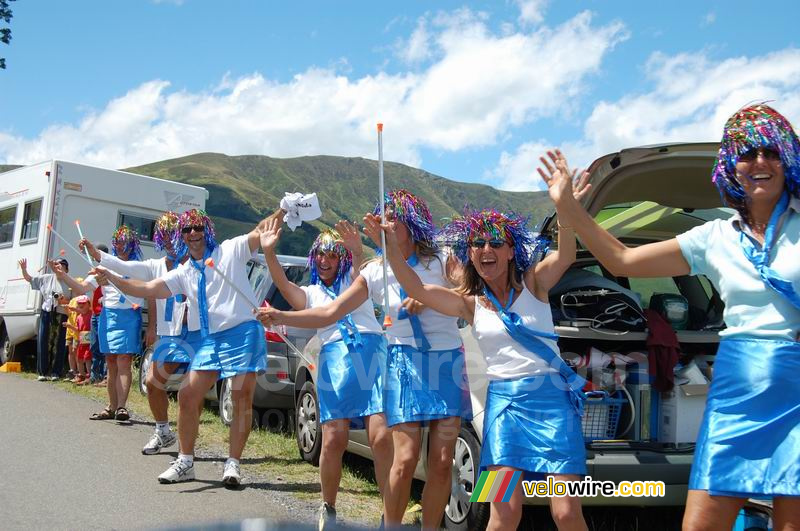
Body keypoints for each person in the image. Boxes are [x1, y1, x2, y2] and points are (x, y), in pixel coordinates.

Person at [539, 103, 800, 530]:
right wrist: (569, 207)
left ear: (786, 157)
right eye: (747, 153)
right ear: (730, 166)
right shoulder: (714, 237)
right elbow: (620, 257)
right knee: (699, 525)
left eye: (770, 152)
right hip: (735, 390)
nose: (759, 163)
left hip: (796, 388)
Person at [353, 198, 589, 531]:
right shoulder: (469, 304)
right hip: (503, 411)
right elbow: (416, 286)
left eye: (495, 241)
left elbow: (566, 255)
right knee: (501, 513)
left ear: (511, 251)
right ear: (471, 254)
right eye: (478, 243)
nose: (486, 248)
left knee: (566, 512)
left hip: (553, 406)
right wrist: (391, 249)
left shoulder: (534, 284)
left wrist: (563, 205)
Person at [258, 190, 471, 529]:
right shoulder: (374, 272)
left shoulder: (442, 259)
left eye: (394, 218)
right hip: (404, 364)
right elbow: (329, 311)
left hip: (446, 362)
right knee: (404, 459)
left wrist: (431, 298)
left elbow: (468, 293)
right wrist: (282, 316)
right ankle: (391, 524)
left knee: (444, 461)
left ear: (411, 222)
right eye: (383, 218)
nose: (386, 224)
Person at [92, 209, 269, 487]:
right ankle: (186, 461)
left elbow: (261, 231)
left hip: (243, 332)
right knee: (188, 393)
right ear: (181, 236)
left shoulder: (230, 251)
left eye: (197, 227)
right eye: (186, 230)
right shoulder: (184, 272)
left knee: (241, 398)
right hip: (212, 338)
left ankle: (233, 464)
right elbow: (149, 288)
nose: (192, 234)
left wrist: (284, 209)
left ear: (207, 228)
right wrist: (112, 278)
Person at [259, 213, 392, 530]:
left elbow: (362, 266)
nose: (325, 260)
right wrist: (268, 252)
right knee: (333, 438)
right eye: (320, 254)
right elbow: (282, 284)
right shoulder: (311, 294)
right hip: (336, 360)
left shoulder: (353, 281)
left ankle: (391, 512)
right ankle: (328, 508)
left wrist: (358, 251)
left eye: (333, 254)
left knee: (382, 436)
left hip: (373, 353)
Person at [81, 211, 190, 455]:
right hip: (171, 336)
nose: (172, 242)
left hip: (197, 334)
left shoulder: (197, 264)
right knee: (152, 383)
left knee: (190, 392)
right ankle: (163, 431)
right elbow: (122, 266)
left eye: (175, 235)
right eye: (167, 237)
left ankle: (189, 454)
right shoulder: (155, 267)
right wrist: (95, 253)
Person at [54, 226, 155, 421]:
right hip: (108, 317)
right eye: (117, 242)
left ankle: (122, 408)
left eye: (124, 242)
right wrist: (63, 276)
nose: (120, 246)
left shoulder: (139, 268)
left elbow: (151, 296)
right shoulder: (104, 267)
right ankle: (111, 406)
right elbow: (82, 288)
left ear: (132, 244)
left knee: (124, 361)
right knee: (111, 363)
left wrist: (151, 326)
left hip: (129, 316)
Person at [18, 257, 71, 381]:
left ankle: (55, 372)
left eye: (62, 265)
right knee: (43, 340)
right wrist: (24, 269)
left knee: (58, 343)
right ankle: (42, 371)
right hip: (47, 312)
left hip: (61, 313)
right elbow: (29, 279)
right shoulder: (46, 278)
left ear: (66, 269)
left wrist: (63, 300)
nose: (59, 267)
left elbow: (74, 301)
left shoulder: (70, 282)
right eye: (57, 264)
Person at [88, 244, 109, 386]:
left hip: (103, 312)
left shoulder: (107, 270)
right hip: (94, 312)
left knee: (104, 345)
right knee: (94, 344)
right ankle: (95, 374)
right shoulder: (93, 271)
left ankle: (106, 376)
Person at [65, 294, 92, 384]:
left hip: (89, 337)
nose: (81, 305)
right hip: (82, 338)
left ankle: (89, 375)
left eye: (83, 303)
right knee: (79, 358)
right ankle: (81, 375)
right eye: (79, 303)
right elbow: (78, 330)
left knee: (88, 358)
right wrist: (70, 326)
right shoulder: (79, 317)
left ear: (88, 304)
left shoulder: (91, 314)